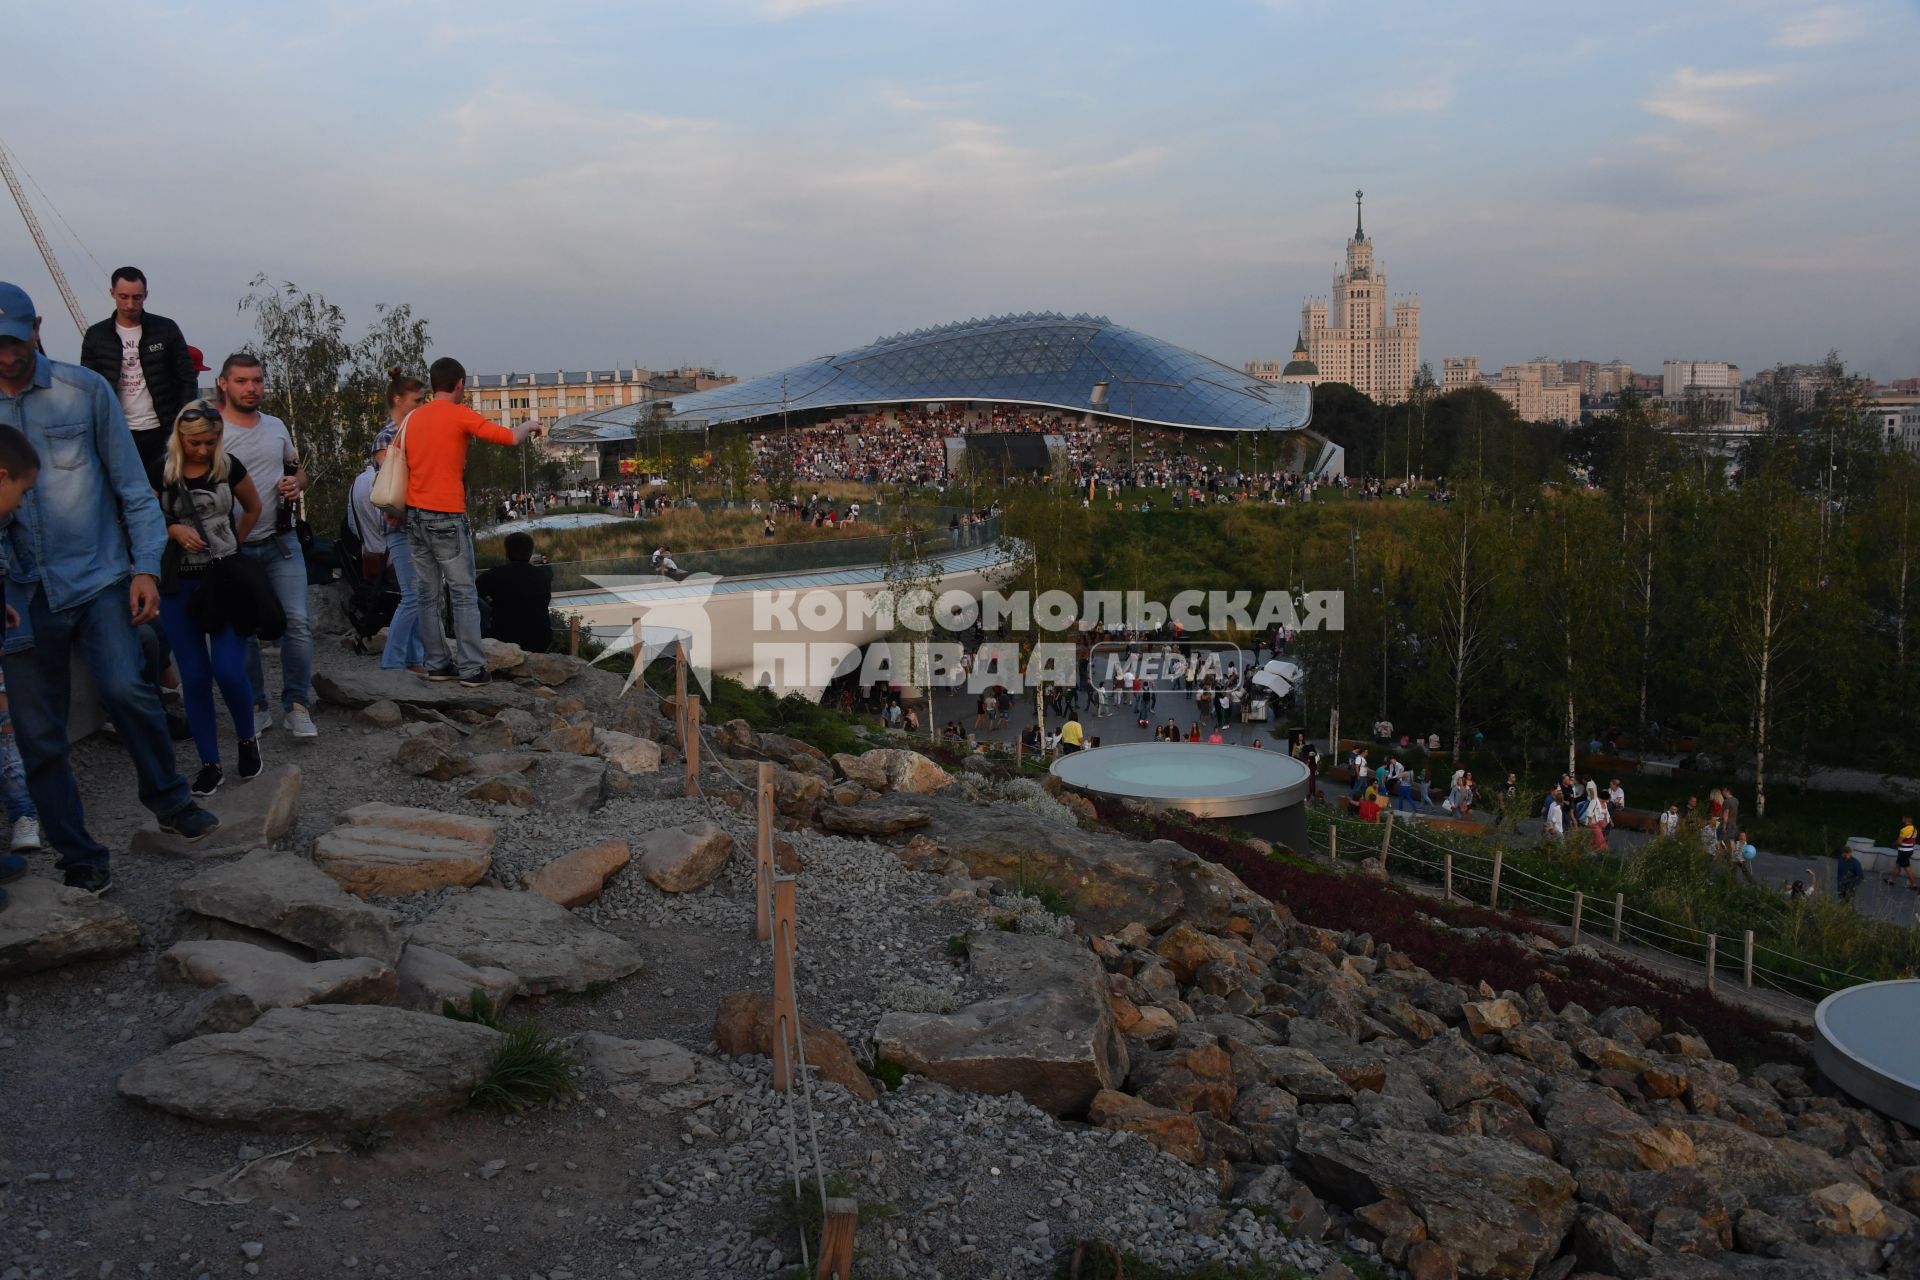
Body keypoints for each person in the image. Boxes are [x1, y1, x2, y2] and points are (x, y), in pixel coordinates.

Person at [0, 283, 219, 894]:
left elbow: (132, 489)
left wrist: (146, 567)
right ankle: (79, 856)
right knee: (40, 735)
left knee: (129, 687)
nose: (7, 356)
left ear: (36, 328)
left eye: (15, 341)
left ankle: (170, 800)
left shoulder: (83, 391)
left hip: (96, 575)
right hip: (19, 595)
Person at [400, 358, 543, 686]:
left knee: (427, 593)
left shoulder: (412, 418)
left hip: (414, 516)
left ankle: (437, 663)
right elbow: (508, 437)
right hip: (446, 515)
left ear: (434, 384)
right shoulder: (459, 413)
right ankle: (471, 669)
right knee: (462, 592)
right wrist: (530, 425)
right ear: (460, 384)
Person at [150, 400, 265, 796]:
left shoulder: (228, 466)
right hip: (178, 585)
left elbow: (253, 507)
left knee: (230, 670)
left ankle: (247, 739)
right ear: (181, 439)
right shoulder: (162, 472)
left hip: (223, 582)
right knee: (195, 677)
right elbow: (144, 516)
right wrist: (172, 531)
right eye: (195, 442)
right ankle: (209, 762)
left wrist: (232, 547)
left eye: (210, 442)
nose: (202, 450)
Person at [216, 354, 316, 738]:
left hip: (281, 541)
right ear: (224, 384)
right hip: (235, 546)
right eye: (242, 381)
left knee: (298, 622)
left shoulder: (275, 425)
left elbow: (296, 468)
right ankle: (256, 704)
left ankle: (297, 703)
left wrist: (298, 483)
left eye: (257, 380)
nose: (251, 388)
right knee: (243, 630)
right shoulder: (215, 430)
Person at [78, 267, 198, 473]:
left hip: (162, 430)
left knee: (165, 490)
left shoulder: (166, 329)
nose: (130, 305)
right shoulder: (97, 335)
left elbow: (186, 378)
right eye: (123, 297)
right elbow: (88, 385)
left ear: (146, 296)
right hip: (117, 431)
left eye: (137, 298)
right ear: (112, 293)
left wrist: (183, 422)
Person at [361, 373, 427, 672]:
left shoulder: (409, 430)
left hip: (411, 522)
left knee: (415, 593)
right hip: (399, 524)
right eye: (417, 400)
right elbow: (395, 477)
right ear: (398, 400)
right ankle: (393, 662)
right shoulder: (388, 435)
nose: (421, 405)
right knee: (413, 595)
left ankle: (413, 658)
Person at [477, 532, 553, 654]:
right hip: (540, 640)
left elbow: (473, 591)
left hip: (505, 638)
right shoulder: (543, 575)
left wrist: (490, 603)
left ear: (507, 552)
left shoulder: (495, 575)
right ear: (531, 552)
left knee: (475, 602)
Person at [1894, 816, 1917, 891]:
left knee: (1907, 868)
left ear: (1906, 821)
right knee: (1898, 865)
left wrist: (1895, 843)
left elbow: (1899, 841)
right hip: (1909, 850)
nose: (1902, 821)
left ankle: (1913, 884)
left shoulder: (1904, 830)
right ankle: (1891, 880)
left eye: (1903, 820)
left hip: (1904, 851)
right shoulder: (1914, 829)